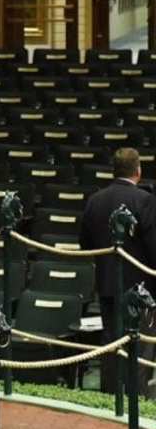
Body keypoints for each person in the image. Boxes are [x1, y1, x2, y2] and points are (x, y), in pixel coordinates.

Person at [78, 147, 156, 394]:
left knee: (111, 345)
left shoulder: (95, 200)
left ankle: (109, 401)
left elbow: (86, 245)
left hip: (107, 286)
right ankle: (138, 403)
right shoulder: (145, 200)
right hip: (140, 291)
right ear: (138, 171)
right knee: (140, 348)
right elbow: (154, 247)